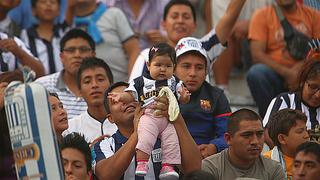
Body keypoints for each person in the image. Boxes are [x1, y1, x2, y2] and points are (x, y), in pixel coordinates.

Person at [108, 43, 190, 179]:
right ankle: (142, 163)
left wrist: (185, 97)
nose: (163, 69)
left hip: (168, 119)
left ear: (174, 67)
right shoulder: (140, 81)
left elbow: (182, 98)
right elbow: (130, 95)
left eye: (168, 66)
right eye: (158, 65)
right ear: (148, 65)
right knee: (145, 137)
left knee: (171, 141)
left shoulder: (175, 81)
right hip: (148, 116)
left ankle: (167, 166)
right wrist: (120, 96)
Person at [92, 82, 201, 180]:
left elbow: (194, 169)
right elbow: (106, 176)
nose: (125, 102)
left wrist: (174, 115)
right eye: (116, 101)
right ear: (111, 118)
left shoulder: (167, 134)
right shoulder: (104, 145)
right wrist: (137, 134)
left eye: (130, 97)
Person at [129, 0, 247, 81]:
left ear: (195, 25)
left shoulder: (203, 48)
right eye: (175, 16)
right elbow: (133, 92)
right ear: (163, 24)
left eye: (186, 17)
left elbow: (230, 15)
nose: (180, 21)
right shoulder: (146, 56)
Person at [247, 0, 320, 117]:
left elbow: (318, 49)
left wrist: (301, 70)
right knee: (256, 73)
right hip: (275, 74)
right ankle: (270, 122)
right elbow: (257, 55)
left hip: (306, 75)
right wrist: (288, 73)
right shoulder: (261, 15)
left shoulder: (314, 15)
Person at [174, 37, 231, 158]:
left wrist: (214, 147)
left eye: (199, 67)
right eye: (186, 66)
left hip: (207, 159)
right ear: (174, 69)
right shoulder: (162, 93)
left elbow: (228, 134)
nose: (193, 73)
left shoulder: (216, 96)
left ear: (206, 71)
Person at [202, 108, 285, 179]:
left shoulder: (274, 169)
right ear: (228, 139)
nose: (255, 141)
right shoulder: (210, 167)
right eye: (247, 135)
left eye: (259, 134)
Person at [72, 0, 140, 82]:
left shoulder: (114, 14)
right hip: (84, 91)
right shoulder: (64, 25)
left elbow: (134, 51)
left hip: (121, 87)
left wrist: (131, 85)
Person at [36, 28, 96, 119]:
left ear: (93, 55)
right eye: (71, 50)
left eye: (83, 50)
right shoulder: (41, 87)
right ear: (61, 57)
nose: (77, 55)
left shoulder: (101, 87)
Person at [263, 51, 320, 147]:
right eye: (313, 87)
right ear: (302, 82)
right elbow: (268, 134)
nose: (318, 95)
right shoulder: (285, 100)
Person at [67, 57, 117, 143]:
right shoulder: (71, 129)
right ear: (79, 91)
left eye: (100, 79)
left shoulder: (127, 122)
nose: (94, 85)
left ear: (111, 85)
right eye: (87, 81)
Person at [19, 0, 73, 75]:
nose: (48, 4)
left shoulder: (64, 32)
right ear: (33, 10)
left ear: (59, 10)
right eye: (43, 2)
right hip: (36, 84)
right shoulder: (25, 35)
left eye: (53, 2)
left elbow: (71, 7)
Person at [263, 108, 309, 179]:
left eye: (306, 130)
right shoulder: (266, 163)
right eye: (300, 132)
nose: (307, 135)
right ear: (282, 139)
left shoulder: (315, 159)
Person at [104, 0, 169, 49]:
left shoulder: (163, 3)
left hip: (153, 60)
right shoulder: (106, 3)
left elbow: (172, 35)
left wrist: (163, 38)